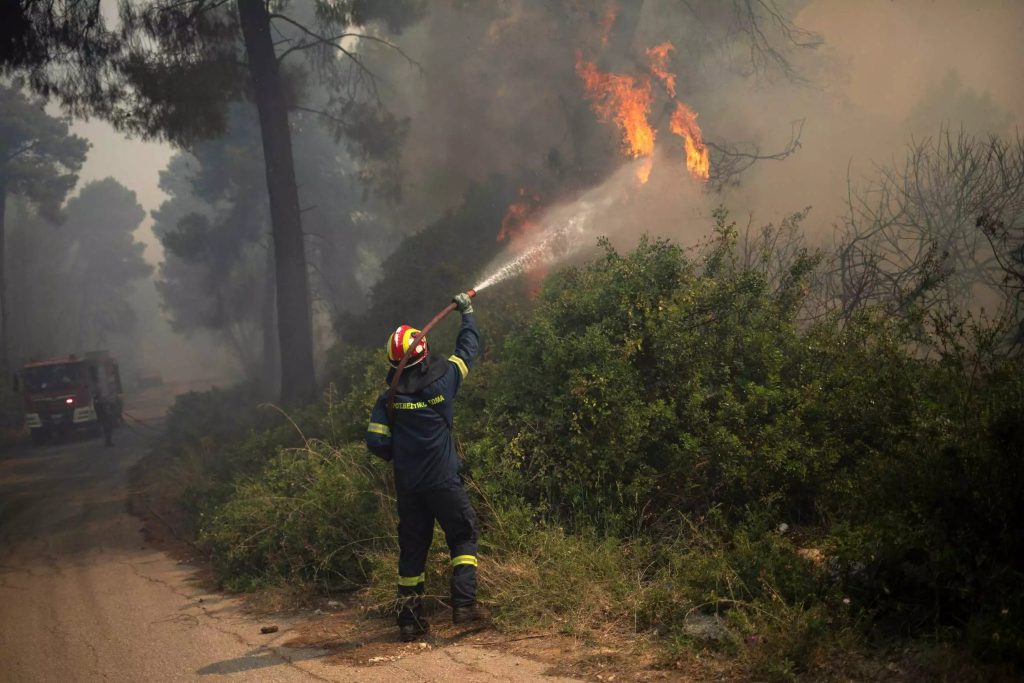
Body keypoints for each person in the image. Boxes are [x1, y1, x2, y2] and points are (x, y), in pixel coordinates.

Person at [365, 292, 481, 642]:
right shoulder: (444, 381)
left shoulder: (388, 400)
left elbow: (377, 443)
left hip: (410, 488)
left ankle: (409, 622)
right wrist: (468, 314)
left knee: (413, 550)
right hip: (444, 483)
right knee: (462, 536)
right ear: (424, 353)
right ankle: (464, 607)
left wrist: (400, 454)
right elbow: (467, 352)